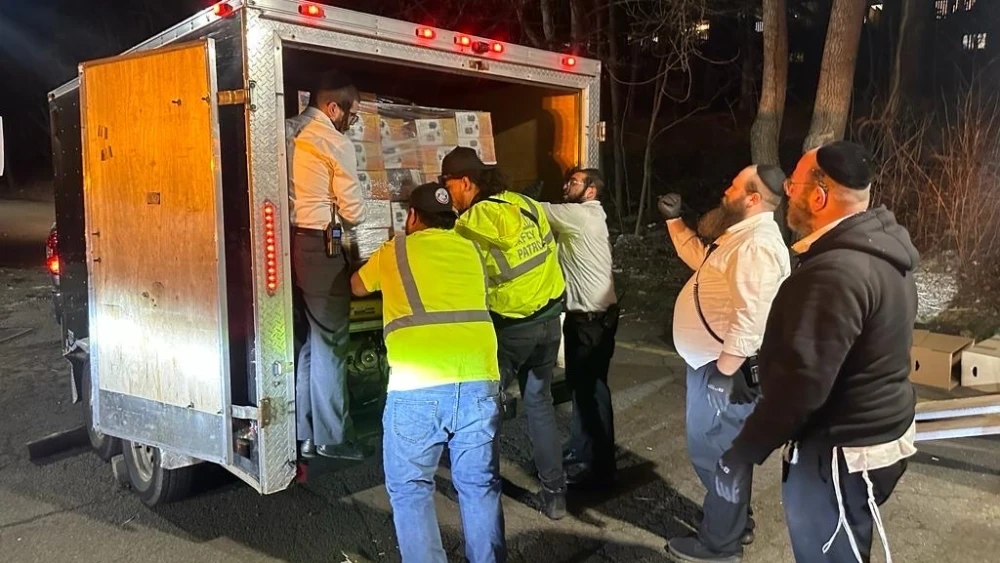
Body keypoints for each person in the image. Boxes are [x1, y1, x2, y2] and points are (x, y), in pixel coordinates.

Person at [715, 141, 918, 563]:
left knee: (828, 555)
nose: (787, 192)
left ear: (818, 196)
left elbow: (803, 387)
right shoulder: (878, 250)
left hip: (841, 453)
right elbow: (843, 351)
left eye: (793, 184)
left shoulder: (836, 272)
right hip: (874, 438)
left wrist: (744, 451)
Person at [350, 183, 505, 563]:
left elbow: (356, 287)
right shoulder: (471, 248)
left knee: (411, 489)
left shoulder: (395, 250)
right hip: (479, 380)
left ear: (412, 218)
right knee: (480, 486)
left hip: (418, 388)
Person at [657, 165, 791, 563]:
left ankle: (720, 546)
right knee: (714, 453)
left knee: (719, 455)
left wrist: (725, 373)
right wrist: (675, 223)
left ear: (752, 199)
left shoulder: (759, 247)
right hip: (713, 363)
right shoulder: (741, 239)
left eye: (734, 186)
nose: (725, 190)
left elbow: (754, 318)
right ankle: (733, 522)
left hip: (723, 369)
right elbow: (702, 261)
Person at [440, 147, 569, 520]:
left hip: (511, 328)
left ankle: (483, 488)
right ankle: (555, 494)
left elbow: (457, 275)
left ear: (466, 182)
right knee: (539, 404)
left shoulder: (471, 221)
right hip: (549, 319)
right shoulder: (525, 203)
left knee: (485, 409)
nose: (447, 193)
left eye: (447, 184)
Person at [285, 70, 366, 460]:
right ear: (333, 108)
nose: (352, 122)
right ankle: (334, 437)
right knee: (332, 343)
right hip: (323, 246)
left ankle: (304, 433)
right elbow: (353, 211)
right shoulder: (333, 142)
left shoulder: (287, 131)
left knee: (311, 345)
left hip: (293, 245)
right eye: (351, 115)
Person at [539, 168, 619, 490]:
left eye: (573, 182)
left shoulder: (581, 215)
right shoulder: (584, 216)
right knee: (582, 389)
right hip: (589, 319)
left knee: (592, 393)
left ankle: (600, 467)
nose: (565, 185)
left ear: (590, 192)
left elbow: (537, 210)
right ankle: (583, 449)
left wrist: (504, 198)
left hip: (591, 322)